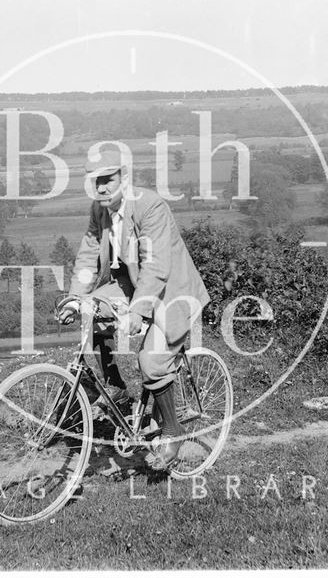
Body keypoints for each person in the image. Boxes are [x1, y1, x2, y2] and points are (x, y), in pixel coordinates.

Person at [58, 149, 210, 469]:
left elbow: (155, 266)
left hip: (173, 292)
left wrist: (138, 313)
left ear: (124, 178)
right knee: (92, 311)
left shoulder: (150, 205)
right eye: (95, 181)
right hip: (131, 285)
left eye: (107, 179)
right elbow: (87, 256)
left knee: (151, 361)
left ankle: (172, 430)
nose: (100, 187)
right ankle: (115, 384)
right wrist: (75, 297)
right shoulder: (100, 211)